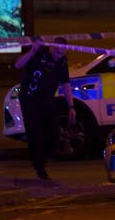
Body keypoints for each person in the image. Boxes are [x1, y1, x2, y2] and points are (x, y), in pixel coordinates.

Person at [15, 37, 75, 181]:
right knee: (35, 134)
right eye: (57, 52)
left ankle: (42, 160)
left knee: (54, 134)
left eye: (62, 53)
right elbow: (18, 65)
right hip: (30, 99)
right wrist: (32, 51)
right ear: (52, 47)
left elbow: (66, 84)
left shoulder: (62, 62)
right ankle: (40, 168)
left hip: (47, 100)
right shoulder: (39, 53)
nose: (58, 56)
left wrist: (71, 106)